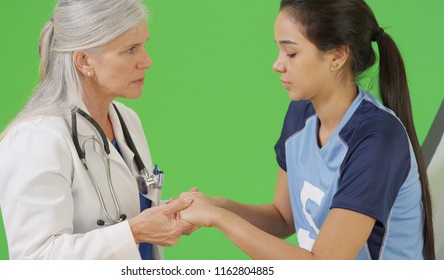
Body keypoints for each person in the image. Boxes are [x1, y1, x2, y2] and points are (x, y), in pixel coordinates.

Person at [180, 0, 435, 259]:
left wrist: (218, 217)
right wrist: (215, 204)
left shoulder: (377, 138)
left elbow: (322, 267)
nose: (277, 64)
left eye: (291, 53)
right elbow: (282, 217)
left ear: (337, 56)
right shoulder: (301, 114)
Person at [0, 0, 195, 260]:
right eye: (130, 50)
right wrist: (134, 232)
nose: (147, 61)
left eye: (144, 45)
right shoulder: (35, 140)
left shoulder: (126, 120)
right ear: (85, 60)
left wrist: (175, 212)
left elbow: (119, 212)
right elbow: (35, 260)